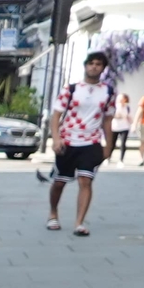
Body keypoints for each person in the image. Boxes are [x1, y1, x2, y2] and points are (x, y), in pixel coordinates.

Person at [46, 51, 115, 236]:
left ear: (103, 68)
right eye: (91, 63)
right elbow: (56, 115)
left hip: (91, 141)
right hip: (68, 140)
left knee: (86, 180)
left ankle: (79, 222)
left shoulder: (107, 91)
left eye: (98, 64)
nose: (94, 67)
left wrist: (108, 146)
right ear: (85, 66)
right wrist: (56, 138)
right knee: (60, 182)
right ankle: (53, 213)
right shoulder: (71, 89)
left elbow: (108, 120)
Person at [110, 92, 134, 162]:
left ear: (125, 99)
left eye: (121, 98)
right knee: (112, 143)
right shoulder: (115, 106)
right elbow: (112, 115)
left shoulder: (127, 107)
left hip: (124, 127)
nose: (120, 100)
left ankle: (121, 159)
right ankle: (108, 157)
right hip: (115, 127)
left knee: (123, 143)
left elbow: (128, 116)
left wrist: (133, 124)